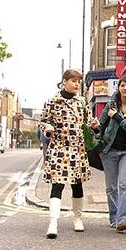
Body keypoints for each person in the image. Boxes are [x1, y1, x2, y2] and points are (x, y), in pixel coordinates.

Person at [40, 69, 99, 239]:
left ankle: (78, 218)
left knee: (77, 185)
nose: (77, 84)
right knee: (57, 185)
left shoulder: (81, 101)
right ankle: (53, 222)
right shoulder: (53, 101)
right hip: (59, 148)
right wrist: (47, 127)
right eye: (74, 81)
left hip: (77, 149)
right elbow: (43, 121)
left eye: (78, 82)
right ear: (64, 81)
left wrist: (94, 125)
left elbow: (88, 122)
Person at [97, 75, 126, 233]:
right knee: (112, 187)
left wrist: (118, 117)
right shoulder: (110, 105)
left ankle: (124, 219)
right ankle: (114, 218)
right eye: (123, 85)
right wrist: (97, 142)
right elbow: (100, 127)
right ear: (119, 87)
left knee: (124, 185)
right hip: (109, 151)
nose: (125, 88)